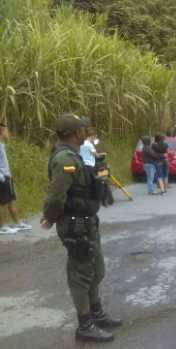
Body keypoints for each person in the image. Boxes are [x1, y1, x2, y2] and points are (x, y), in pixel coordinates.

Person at [40, 114, 122, 343]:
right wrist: (49, 217)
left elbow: (86, 183)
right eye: (82, 129)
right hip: (75, 224)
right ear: (75, 133)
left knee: (97, 271)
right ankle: (85, 325)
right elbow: (57, 196)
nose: (86, 132)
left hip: (87, 220)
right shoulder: (64, 159)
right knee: (81, 274)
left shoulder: (76, 156)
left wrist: (100, 175)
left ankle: (96, 313)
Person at [0, 123, 32, 234]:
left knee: (11, 201)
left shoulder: (2, 145)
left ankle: (18, 223)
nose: (8, 133)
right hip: (3, 179)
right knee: (4, 203)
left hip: (8, 178)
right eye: (6, 131)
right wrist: (2, 176)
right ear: (1, 132)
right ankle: (3, 227)